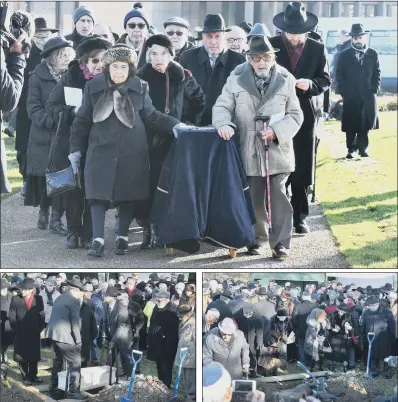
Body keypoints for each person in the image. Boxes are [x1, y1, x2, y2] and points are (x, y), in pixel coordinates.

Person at [68, 44, 183, 257]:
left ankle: (122, 238)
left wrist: (175, 124)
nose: (119, 71)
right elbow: (82, 120)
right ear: (107, 67)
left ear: (130, 68)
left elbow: (152, 116)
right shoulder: (93, 87)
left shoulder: (141, 86)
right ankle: (98, 240)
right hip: (100, 149)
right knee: (97, 194)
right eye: (114, 66)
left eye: (123, 66)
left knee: (127, 192)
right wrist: (75, 149)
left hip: (132, 150)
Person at [213, 35, 303, 258]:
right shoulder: (235, 77)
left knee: (278, 194)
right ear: (249, 58)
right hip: (248, 149)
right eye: (256, 58)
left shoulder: (286, 78)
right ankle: (256, 239)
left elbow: (295, 114)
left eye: (266, 57)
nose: (261, 62)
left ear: (273, 57)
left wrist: (276, 131)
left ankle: (281, 243)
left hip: (277, 149)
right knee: (254, 196)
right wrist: (224, 123)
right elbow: (222, 106)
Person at [137, 34, 205, 248]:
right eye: (154, 53)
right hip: (146, 140)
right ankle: (146, 228)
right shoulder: (140, 77)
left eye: (163, 53)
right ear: (148, 55)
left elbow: (199, 100)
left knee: (169, 185)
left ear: (170, 55)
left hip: (175, 140)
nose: (158, 58)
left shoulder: (182, 75)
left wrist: (185, 124)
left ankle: (162, 228)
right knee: (146, 185)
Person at [269, 1, 331, 235]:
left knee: (302, 166)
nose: (294, 37)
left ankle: (300, 217)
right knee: (277, 165)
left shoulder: (317, 48)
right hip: (277, 113)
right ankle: (276, 215)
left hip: (306, 113)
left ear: (307, 30)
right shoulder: (272, 46)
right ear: (283, 30)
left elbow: (325, 80)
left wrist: (312, 84)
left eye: (299, 33)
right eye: (290, 33)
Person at [46, 35, 112, 250]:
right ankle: (73, 231)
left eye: (103, 60)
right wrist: (72, 111)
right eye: (94, 61)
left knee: (94, 190)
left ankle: (90, 233)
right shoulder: (71, 77)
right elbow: (53, 105)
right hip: (71, 141)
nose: (99, 65)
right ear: (84, 62)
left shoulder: (112, 79)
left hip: (99, 143)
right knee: (74, 191)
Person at [24, 37, 75, 233]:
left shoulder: (71, 76)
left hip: (64, 135)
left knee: (62, 178)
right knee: (45, 177)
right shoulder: (36, 76)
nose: (66, 59)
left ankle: (56, 220)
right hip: (43, 135)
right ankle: (43, 212)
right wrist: (50, 122)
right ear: (52, 58)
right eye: (62, 55)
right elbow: (33, 108)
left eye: (69, 55)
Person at [179, 14, 246, 126]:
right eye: (209, 36)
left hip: (226, 126)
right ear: (203, 37)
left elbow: (242, 99)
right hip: (193, 125)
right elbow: (180, 94)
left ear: (224, 36)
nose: (213, 41)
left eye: (217, 36)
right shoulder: (187, 57)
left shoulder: (238, 60)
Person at [335, 23, 380, 159]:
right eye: (355, 38)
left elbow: (377, 73)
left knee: (365, 123)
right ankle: (351, 149)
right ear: (352, 39)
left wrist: (374, 89)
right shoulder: (343, 55)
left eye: (360, 37)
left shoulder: (372, 54)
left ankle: (362, 149)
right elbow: (339, 75)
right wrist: (344, 92)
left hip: (367, 95)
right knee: (351, 124)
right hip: (351, 96)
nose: (358, 40)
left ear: (364, 38)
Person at [45, 278, 86, 400]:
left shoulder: (61, 297)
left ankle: (54, 387)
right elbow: (75, 324)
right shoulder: (74, 301)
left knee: (58, 360)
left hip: (53, 334)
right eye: (81, 292)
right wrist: (78, 341)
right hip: (63, 336)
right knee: (76, 361)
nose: (82, 295)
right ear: (75, 290)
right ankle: (73, 391)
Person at [8, 278, 45, 386]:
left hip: (34, 331)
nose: (22, 291)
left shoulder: (38, 299)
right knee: (22, 355)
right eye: (22, 289)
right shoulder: (15, 299)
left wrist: (41, 328)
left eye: (24, 290)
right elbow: (12, 316)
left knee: (34, 355)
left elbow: (41, 314)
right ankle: (25, 376)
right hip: (21, 332)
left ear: (31, 290)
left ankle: (33, 375)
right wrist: (16, 330)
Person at [147, 290, 179, 388]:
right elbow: (152, 322)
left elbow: (173, 331)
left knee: (166, 367)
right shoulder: (157, 307)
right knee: (159, 366)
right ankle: (161, 383)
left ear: (166, 300)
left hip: (166, 345)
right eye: (157, 300)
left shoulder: (172, 311)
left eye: (159, 300)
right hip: (157, 343)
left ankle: (166, 385)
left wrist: (168, 347)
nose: (157, 302)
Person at [361, 295, 396, 376]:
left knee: (387, 355)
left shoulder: (387, 312)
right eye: (370, 306)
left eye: (374, 305)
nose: (372, 307)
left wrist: (393, 338)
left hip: (384, 338)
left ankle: (388, 371)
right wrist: (363, 335)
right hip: (371, 338)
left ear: (378, 304)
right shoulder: (366, 313)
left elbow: (392, 326)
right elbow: (364, 325)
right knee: (373, 354)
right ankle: (374, 370)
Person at [233, 303, 264, 378]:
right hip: (240, 338)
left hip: (252, 339)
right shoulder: (236, 316)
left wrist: (259, 343)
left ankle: (253, 372)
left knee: (253, 355)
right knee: (240, 355)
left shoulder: (258, 317)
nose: (247, 315)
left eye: (250, 313)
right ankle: (242, 373)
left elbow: (259, 331)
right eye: (246, 313)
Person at [116, 3, 150, 69]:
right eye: (132, 25)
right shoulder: (114, 50)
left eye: (141, 25)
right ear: (126, 28)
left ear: (147, 29)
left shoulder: (154, 49)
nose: (136, 29)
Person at [291, 291, 317, 365]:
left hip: (301, 330)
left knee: (301, 345)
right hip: (312, 330)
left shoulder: (298, 306)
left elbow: (294, 319)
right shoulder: (315, 306)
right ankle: (310, 360)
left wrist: (296, 328)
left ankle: (303, 361)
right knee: (311, 345)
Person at [176, 304, 196, 401]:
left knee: (191, 378)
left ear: (188, 315)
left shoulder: (194, 324)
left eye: (181, 316)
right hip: (183, 353)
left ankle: (191, 397)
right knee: (185, 377)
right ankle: (187, 394)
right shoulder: (184, 322)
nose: (180, 318)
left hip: (191, 355)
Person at [80, 284, 99, 368]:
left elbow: (93, 319)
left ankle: (84, 366)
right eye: (86, 291)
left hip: (86, 331)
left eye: (90, 292)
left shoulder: (91, 303)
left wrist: (94, 332)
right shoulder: (74, 302)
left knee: (84, 354)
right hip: (76, 331)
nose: (88, 293)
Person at [39, 277, 60, 347]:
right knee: (43, 331)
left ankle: (51, 344)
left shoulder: (57, 294)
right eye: (49, 285)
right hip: (43, 316)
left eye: (52, 286)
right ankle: (43, 343)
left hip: (53, 316)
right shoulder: (41, 293)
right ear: (46, 285)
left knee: (52, 333)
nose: (50, 287)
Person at [0, 279, 13, 364]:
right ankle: (1, 357)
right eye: (2, 288)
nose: (4, 289)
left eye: (5, 288)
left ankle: (5, 355)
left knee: (7, 341)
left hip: (9, 323)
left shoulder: (10, 295)